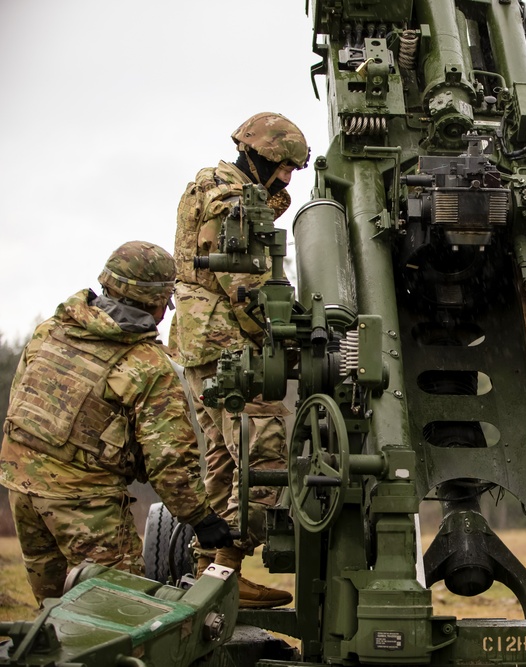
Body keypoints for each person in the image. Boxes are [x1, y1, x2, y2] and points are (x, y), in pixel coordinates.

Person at [0, 241, 233, 606]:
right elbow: (170, 462)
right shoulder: (146, 363)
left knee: (52, 615)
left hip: (20, 489)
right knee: (117, 615)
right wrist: (202, 519)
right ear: (156, 303)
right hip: (85, 503)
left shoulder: (52, 331)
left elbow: (20, 403)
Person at [170, 112, 309, 609]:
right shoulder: (233, 198)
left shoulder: (208, 185)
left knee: (224, 459)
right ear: (261, 155)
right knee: (265, 450)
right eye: (283, 166)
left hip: (197, 342)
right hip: (227, 343)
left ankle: (205, 571)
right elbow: (245, 283)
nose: (288, 178)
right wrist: (286, 332)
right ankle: (227, 568)